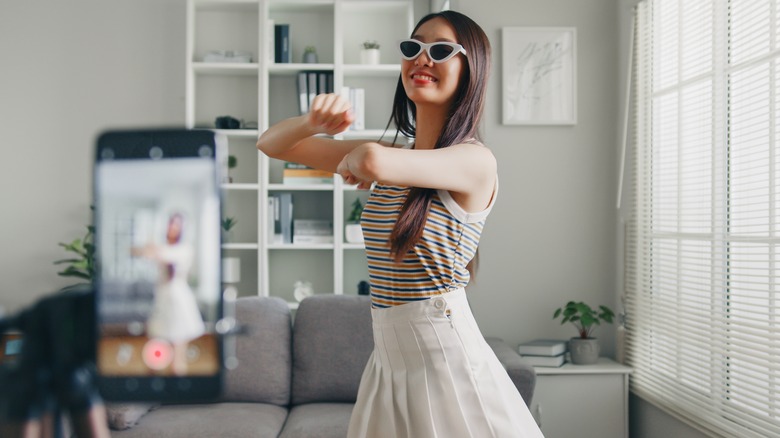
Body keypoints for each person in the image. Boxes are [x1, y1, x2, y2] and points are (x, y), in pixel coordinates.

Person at [257, 10, 544, 438]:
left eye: (441, 50)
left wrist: (362, 160)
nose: (422, 59)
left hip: (445, 354)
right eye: (413, 48)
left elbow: (371, 160)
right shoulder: (398, 155)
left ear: (471, 69)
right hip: (390, 358)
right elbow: (271, 144)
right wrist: (312, 124)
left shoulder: (475, 160)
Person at [132, 213, 205, 376]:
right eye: (171, 224)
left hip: (178, 302)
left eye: (176, 225)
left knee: (177, 357)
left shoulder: (184, 249)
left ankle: (178, 395)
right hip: (163, 301)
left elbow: (163, 254)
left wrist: (153, 248)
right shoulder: (163, 246)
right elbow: (140, 252)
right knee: (154, 355)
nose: (172, 227)